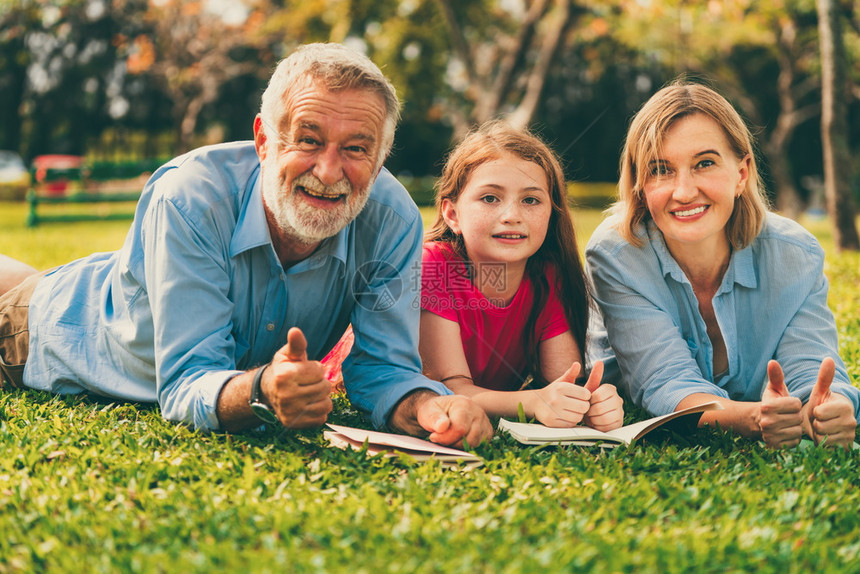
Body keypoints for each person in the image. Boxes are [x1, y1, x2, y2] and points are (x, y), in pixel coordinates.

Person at [0, 43, 492, 447]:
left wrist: (429, 406)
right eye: (308, 139)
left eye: (356, 149)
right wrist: (261, 390)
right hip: (39, 330)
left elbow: (385, 367)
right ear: (263, 140)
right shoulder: (190, 197)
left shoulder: (391, 218)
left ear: (381, 158)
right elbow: (186, 383)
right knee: (23, 292)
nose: (328, 171)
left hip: (116, 285)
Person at [585, 80, 858, 449]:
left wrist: (829, 409)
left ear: (741, 174)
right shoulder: (617, 255)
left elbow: (813, 370)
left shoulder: (795, 255)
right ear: (640, 184)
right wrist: (754, 418)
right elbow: (666, 384)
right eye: (661, 170)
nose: (683, 192)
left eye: (705, 163)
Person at [418, 121, 624, 430]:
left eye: (531, 200)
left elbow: (563, 383)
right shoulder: (434, 265)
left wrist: (590, 403)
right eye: (490, 198)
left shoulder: (547, 278)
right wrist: (535, 402)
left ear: (551, 213)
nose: (512, 215)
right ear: (452, 215)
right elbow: (452, 392)